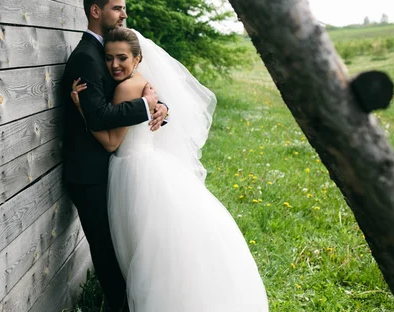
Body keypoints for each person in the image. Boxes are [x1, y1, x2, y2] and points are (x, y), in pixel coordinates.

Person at [71, 27, 269, 311]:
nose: (114, 64)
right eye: (109, 58)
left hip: (132, 169)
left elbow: (112, 143)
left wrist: (82, 109)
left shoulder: (127, 88)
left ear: (137, 59)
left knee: (146, 249)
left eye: (122, 58)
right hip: (149, 164)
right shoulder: (144, 83)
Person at [61, 0, 168, 312]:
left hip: (110, 164)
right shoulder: (86, 58)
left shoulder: (106, 50)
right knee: (107, 252)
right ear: (96, 11)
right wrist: (146, 107)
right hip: (89, 173)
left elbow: (132, 85)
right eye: (117, 8)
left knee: (121, 246)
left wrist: (160, 107)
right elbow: (99, 115)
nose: (124, 14)